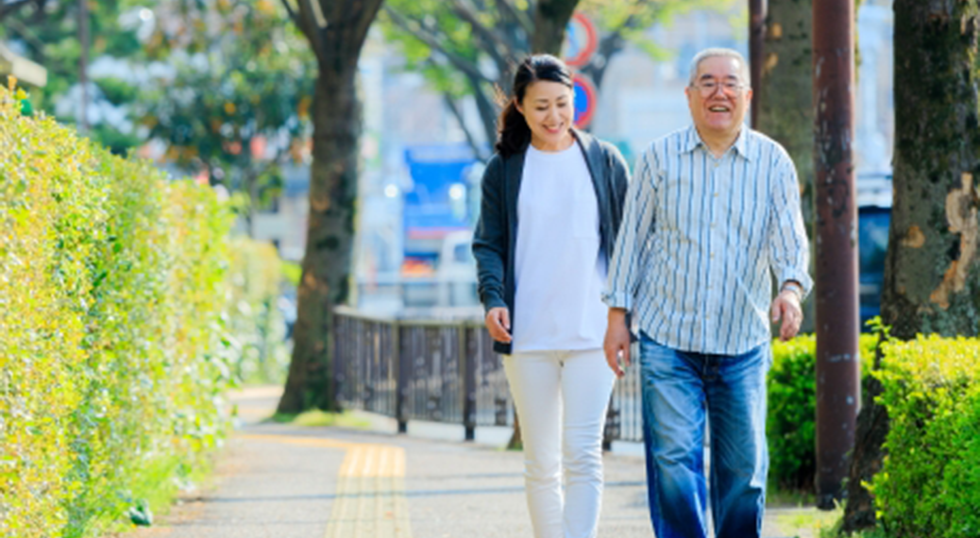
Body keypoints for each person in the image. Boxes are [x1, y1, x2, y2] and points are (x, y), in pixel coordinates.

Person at [602, 48, 812, 538]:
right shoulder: (657, 158)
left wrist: (791, 291)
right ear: (690, 95)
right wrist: (618, 317)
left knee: (745, 473)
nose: (720, 92)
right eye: (708, 83)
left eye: (730, 83)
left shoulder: (772, 162)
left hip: (741, 341)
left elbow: (789, 241)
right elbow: (630, 240)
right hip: (667, 339)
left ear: (747, 95)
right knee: (674, 464)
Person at [472, 54, 630, 538]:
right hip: (529, 335)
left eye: (563, 103)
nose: (555, 116)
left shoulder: (604, 160)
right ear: (519, 106)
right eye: (542, 106)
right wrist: (494, 299)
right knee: (541, 462)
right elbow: (489, 243)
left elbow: (627, 245)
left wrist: (622, 318)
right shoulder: (504, 170)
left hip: (593, 333)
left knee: (583, 456)